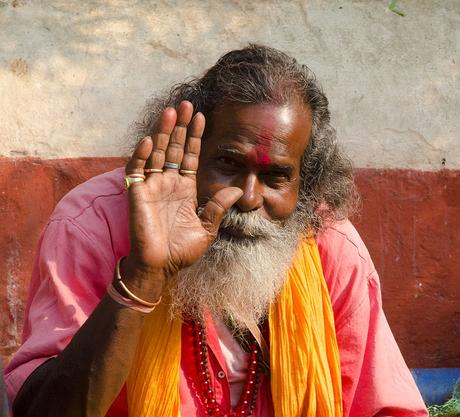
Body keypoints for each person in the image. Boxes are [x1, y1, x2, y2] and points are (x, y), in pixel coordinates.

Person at [5, 45, 427, 417]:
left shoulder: (330, 247)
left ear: (307, 184)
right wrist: (142, 278)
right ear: (187, 150)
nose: (247, 197)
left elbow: (387, 408)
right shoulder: (93, 225)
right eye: (227, 164)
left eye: (276, 176)